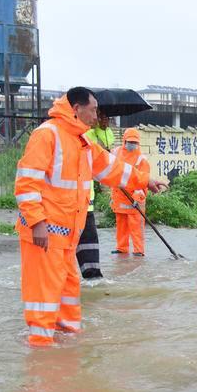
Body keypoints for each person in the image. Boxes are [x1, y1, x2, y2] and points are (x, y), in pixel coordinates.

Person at [14, 87, 168, 347]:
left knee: (68, 290)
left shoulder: (83, 142)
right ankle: (40, 350)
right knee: (43, 293)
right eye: (94, 109)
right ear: (77, 108)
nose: (97, 115)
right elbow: (27, 182)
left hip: (66, 237)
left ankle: (68, 343)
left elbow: (113, 168)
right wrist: (37, 223)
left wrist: (146, 180)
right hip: (45, 234)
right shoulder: (47, 135)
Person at [76, 111, 114, 279]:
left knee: (90, 253)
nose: (104, 120)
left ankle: (93, 280)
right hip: (66, 210)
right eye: (99, 116)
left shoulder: (108, 134)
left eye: (107, 118)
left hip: (86, 204)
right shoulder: (86, 136)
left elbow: (109, 164)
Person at [109, 128, 151, 255]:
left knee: (136, 227)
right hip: (119, 195)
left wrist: (137, 198)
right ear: (124, 141)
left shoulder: (141, 159)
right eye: (130, 142)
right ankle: (122, 248)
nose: (132, 144)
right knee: (121, 226)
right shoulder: (116, 152)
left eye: (135, 142)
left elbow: (143, 180)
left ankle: (139, 250)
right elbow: (108, 166)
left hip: (134, 199)